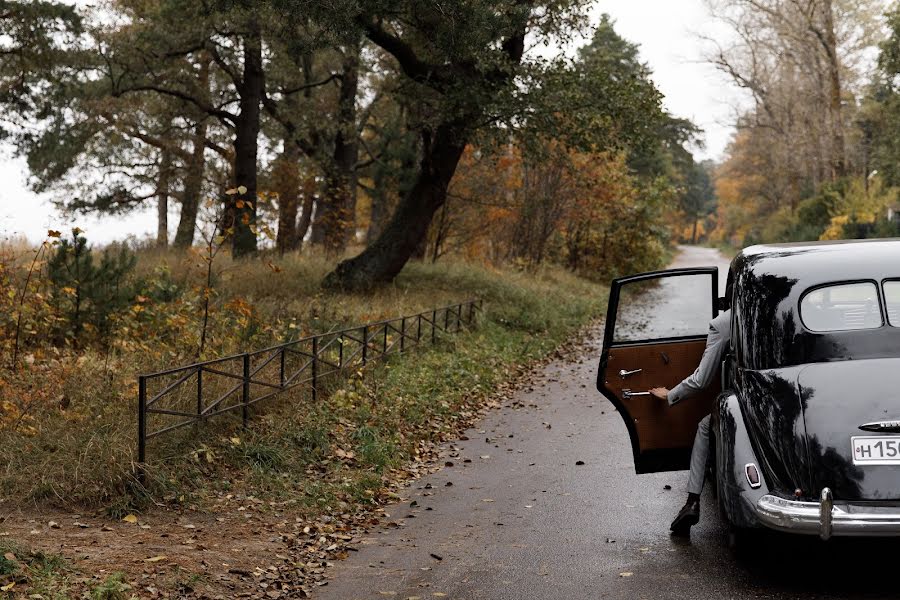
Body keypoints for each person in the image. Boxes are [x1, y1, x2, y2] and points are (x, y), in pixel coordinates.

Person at [649, 305, 731, 536]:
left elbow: (702, 380)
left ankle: (693, 501)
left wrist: (671, 394)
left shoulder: (724, 323)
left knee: (705, 426)